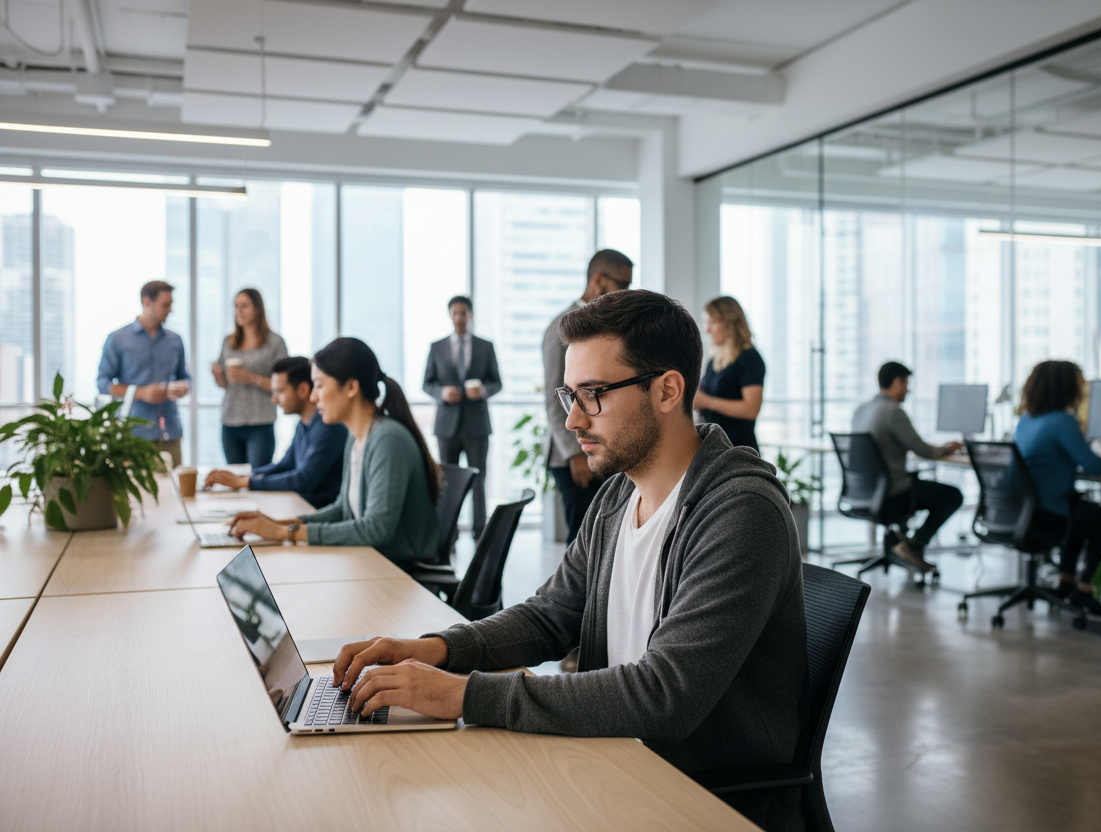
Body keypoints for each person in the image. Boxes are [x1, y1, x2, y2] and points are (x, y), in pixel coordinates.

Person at [333, 290, 807, 832]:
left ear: (668, 390)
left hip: (696, 800)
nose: (575, 419)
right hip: (609, 764)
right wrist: (440, 649)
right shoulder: (617, 497)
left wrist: (463, 693)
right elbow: (550, 615)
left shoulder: (741, 511)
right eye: (569, 395)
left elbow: (664, 694)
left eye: (594, 394)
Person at [228, 338, 440, 571]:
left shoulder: (387, 439)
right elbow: (342, 509)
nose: (313, 397)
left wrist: (284, 532)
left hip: (401, 574)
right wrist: (280, 524)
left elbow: (376, 529)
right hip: (370, 562)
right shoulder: (357, 436)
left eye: (319, 385)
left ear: (350, 387)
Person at [1013, 360, 1101, 617]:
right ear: (1067, 387)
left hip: (1026, 511)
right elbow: (1093, 465)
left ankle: (1065, 582)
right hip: (1049, 513)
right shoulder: (1062, 421)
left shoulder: (1026, 420)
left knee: (1082, 514)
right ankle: (1086, 590)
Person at [543, 248, 633, 543]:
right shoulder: (563, 327)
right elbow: (554, 398)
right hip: (573, 455)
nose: (626, 292)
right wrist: (575, 454)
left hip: (602, 447)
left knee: (605, 539)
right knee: (581, 542)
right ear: (598, 281)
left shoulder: (607, 327)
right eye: (622, 285)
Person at [851, 361, 964, 572]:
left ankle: (903, 544)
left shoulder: (861, 410)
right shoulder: (893, 412)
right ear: (896, 382)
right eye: (906, 384)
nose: (908, 390)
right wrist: (946, 448)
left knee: (920, 484)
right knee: (953, 496)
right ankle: (914, 544)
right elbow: (924, 450)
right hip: (893, 495)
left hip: (865, 492)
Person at [203, 356, 348, 509]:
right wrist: (245, 477)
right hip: (299, 505)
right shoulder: (304, 423)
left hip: (315, 512)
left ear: (303, 390)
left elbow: (303, 479)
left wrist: (245, 482)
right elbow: (286, 465)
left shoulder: (329, 426)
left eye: (280, 391)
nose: (274, 400)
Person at [423, 296, 502, 539]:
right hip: (447, 426)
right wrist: (442, 393)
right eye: (455, 313)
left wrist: (484, 391)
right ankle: (449, 533)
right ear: (450, 315)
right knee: (446, 484)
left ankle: (480, 533)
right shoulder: (437, 347)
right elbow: (426, 384)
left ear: (470, 315)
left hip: (476, 425)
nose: (459, 317)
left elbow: (497, 383)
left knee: (479, 482)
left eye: (463, 313)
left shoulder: (485, 346)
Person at [97, 280, 191, 467]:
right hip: (134, 435)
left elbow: (186, 377)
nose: (170, 309)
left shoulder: (175, 340)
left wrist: (183, 387)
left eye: (171, 304)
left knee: (174, 492)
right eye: (165, 305)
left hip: (170, 432)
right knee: (136, 494)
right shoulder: (118, 339)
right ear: (147, 302)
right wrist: (140, 392)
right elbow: (102, 383)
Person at [211, 288, 288, 467]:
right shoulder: (228, 342)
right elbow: (225, 385)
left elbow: (285, 385)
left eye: (244, 306)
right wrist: (218, 376)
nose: (239, 311)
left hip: (260, 423)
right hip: (230, 422)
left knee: (258, 479)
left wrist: (250, 377)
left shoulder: (275, 342)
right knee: (235, 481)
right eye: (236, 306)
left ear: (257, 309)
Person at [693, 296, 765, 452]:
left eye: (712, 323)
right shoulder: (714, 361)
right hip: (714, 448)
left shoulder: (750, 358)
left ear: (729, 323)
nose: (707, 330)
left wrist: (706, 401)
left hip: (739, 449)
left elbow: (751, 409)